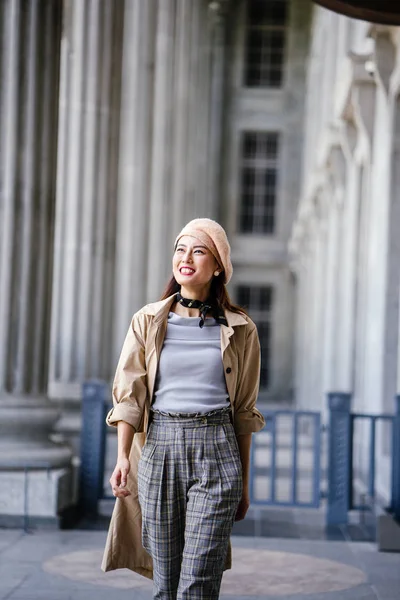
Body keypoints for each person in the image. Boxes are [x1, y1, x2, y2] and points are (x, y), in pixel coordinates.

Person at [101, 218, 265, 599]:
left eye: (198, 249)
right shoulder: (147, 321)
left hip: (218, 448)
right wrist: (123, 457)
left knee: (199, 582)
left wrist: (243, 483)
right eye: (180, 249)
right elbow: (130, 396)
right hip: (160, 451)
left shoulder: (242, 329)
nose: (185, 257)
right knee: (166, 582)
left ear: (218, 265)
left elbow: (244, 412)